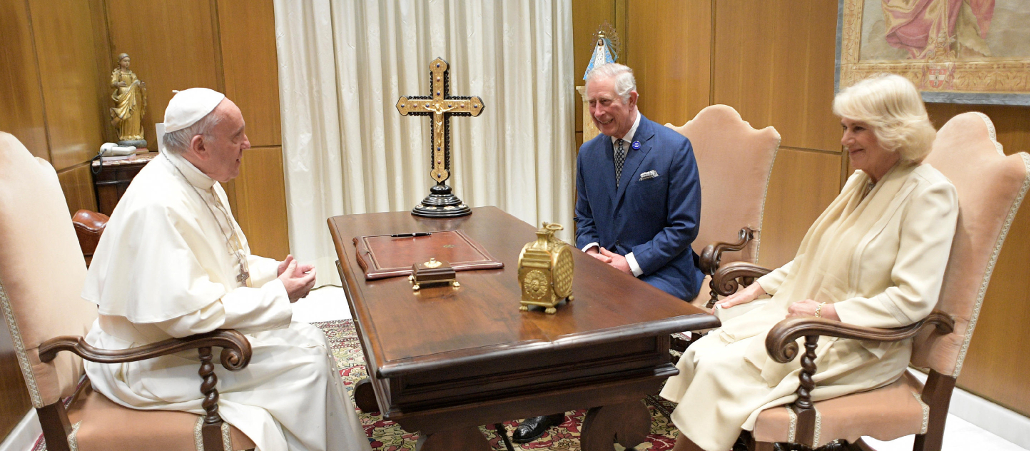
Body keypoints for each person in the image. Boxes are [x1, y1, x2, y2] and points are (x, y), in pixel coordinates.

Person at [659, 74, 957, 451]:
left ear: (896, 129)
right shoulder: (862, 181)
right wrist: (760, 288)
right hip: (810, 321)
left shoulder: (930, 195)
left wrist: (826, 312)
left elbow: (913, 300)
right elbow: (813, 257)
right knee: (706, 349)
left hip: (860, 345)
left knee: (722, 372)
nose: (845, 140)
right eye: (845, 127)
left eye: (858, 129)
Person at [82, 88, 372, 451]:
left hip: (179, 344)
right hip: (148, 363)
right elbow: (190, 316)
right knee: (305, 366)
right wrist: (278, 293)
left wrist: (273, 273)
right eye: (237, 137)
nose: (247, 144)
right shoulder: (157, 205)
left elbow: (221, 265)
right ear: (200, 146)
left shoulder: (199, 178)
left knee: (310, 340)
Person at [512, 62, 705, 444]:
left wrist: (630, 264)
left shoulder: (673, 149)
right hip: (602, 266)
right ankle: (550, 402)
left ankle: (614, 410)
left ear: (631, 99)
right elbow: (584, 217)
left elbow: (683, 228)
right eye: (591, 104)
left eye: (605, 102)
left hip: (661, 270)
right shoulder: (588, 153)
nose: (597, 113)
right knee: (549, 305)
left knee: (608, 315)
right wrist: (592, 250)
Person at [109, 53, 147, 147]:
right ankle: (126, 135)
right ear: (120, 62)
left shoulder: (131, 74)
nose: (127, 63)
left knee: (134, 114)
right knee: (126, 117)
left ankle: (135, 134)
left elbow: (136, 83)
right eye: (125, 61)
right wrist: (118, 84)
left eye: (128, 61)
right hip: (124, 96)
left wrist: (140, 85)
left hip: (133, 97)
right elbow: (112, 84)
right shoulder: (117, 73)